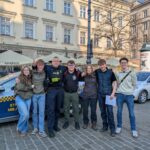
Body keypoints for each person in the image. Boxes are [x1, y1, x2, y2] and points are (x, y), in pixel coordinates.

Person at [115, 57, 138, 138]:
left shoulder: (132, 72)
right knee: (119, 112)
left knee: (131, 113)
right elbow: (116, 83)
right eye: (122, 62)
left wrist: (132, 93)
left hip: (129, 95)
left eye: (125, 62)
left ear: (127, 63)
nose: (123, 64)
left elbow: (135, 84)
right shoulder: (118, 73)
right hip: (120, 94)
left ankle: (133, 129)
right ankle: (119, 126)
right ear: (120, 64)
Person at [45, 57, 67, 138]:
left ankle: (55, 125)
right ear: (51, 62)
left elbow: (72, 69)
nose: (56, 62)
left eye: (57, 61)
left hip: (60, 90)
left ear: (59, 62)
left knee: (57, 109)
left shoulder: (63, 68)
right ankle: (50, 129)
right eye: (54, 61)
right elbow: (36, 68)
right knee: (51, 110)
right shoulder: (47, 67)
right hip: (51, 90)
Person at [95, 59, 117, 137]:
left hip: (109, 95)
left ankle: (112, 129)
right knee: (102, 112)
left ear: (105, 64)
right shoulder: (97, 72)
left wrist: (113, 93)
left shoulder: (111, 72)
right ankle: (105, 126)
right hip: (100, 95)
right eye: (100, 65)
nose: (102, 66)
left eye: (103, 65)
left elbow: (114, 83)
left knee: (110, 112)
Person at [15, 66, 33, 136]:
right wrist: (30, 87)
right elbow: (20, 87)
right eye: (25, 70)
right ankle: (19, 127)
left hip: (28, 98)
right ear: (22, 71)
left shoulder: (31, 78)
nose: (26, 71)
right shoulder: (19, 78)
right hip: (20, 97)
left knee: (27, 115)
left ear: (29, 71)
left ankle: (24, 130)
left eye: (27, 70)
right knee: (25, 114)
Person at [62, 60, 81, 130]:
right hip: (66, 93)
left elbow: (82, 81)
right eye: (69, 65)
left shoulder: (78, 73)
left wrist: (80, 91)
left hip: (75, 93)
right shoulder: (65, 73)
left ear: (74, 66)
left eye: (72, 65)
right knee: (66, 108)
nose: (71, 66)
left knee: (76, 108)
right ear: (67, 66)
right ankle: (67, 121)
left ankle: (77, 122)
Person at [31, 59, 47, 137]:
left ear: (44, 66)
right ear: (37, 65)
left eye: (42, 65)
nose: (40, 66)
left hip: (42, 95)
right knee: (34, 112)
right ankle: (35, 128)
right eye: (39, 65)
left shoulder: (45, 72)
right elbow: (25, 74)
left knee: (41, 113)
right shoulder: (32, 72)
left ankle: (41, 130)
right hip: (34, 94)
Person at [82, 65, 97, 130]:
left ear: (92, 69)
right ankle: (86, 122)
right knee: (85, 110)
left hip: (94, 95)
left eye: (90, 68)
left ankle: (94, 122)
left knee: (93, 110)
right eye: (87, 68)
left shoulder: (95, 75)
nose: (88, 69)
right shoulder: (84, 75)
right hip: (85, 95)